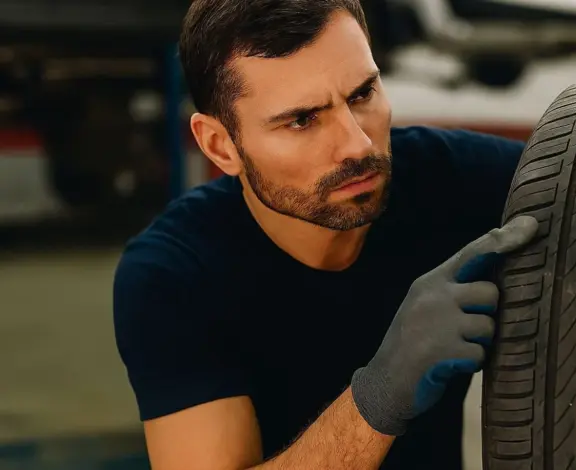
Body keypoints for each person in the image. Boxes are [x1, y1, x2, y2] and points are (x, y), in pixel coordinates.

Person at [112, 1, 538, 469]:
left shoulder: (453, 179)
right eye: (302, 120)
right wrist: (381, 393)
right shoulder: (174, 276)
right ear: (220, 145)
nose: (357, 144)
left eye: (362, 94)